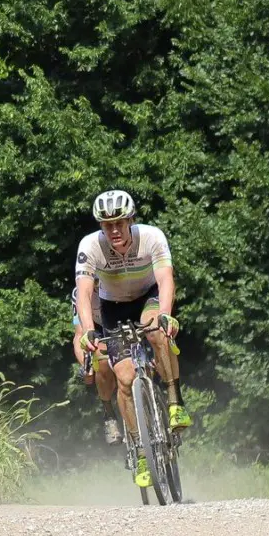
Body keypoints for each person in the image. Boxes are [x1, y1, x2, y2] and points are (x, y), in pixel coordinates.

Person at [74, 190, 190, 488]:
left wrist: (165, 313)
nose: (113, 230)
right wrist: (88, 329)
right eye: (107, 225)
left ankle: (175, 401)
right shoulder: (90, 245)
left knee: (155, 330)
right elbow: (84, 292)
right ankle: (140, 450)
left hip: (146, 298)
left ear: (131, 220)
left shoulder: (152, 237)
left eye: (120, 223)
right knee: (124, 378)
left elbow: (165, 279)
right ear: (100, 226)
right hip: (111, 307)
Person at [70, 283, 122, 445]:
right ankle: (109, 415)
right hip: (98, 329)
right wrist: (86, 366)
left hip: (123, 320)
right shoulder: (79, 293)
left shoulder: (119, 280)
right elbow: (79, 335)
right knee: (103, 363)